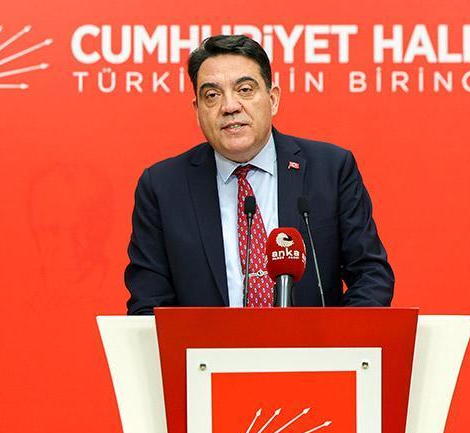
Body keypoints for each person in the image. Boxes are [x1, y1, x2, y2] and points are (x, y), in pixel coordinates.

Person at [125, 35, 393, 315]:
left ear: (272, 99)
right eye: (212, 95)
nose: (229, 106)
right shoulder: (163, 187)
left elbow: (370, 274)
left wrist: (340, 338)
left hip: (315, 344)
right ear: (197, 110)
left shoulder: (330, 169)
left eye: (244, 89)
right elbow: (148, 304)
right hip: (203, 345)